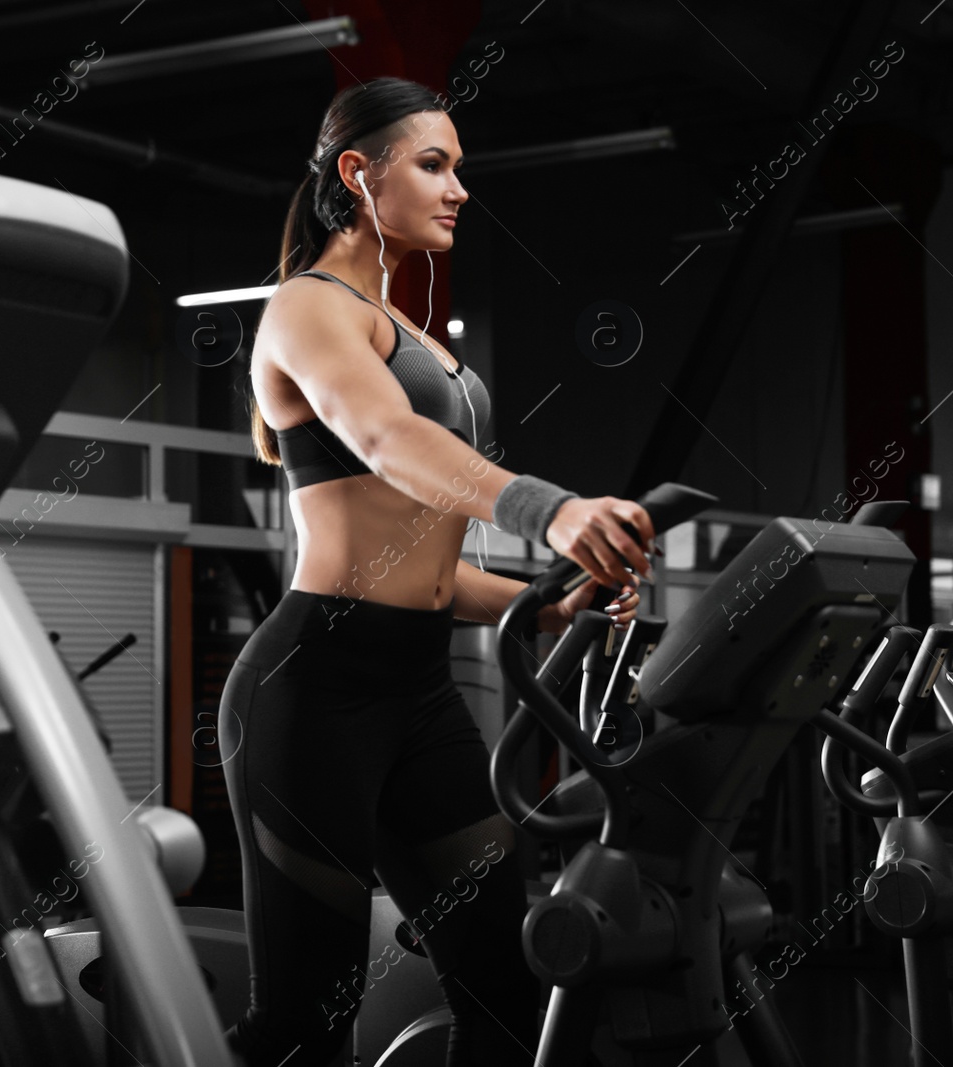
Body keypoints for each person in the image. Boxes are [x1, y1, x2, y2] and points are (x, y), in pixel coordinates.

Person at [220, 75, 658, 1067]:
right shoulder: (308, 307)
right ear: (356, 174)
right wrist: (548, 510)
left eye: (458, 166)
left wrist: (552, 606)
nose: (459, 187)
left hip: (416, 691)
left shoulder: (416, 336)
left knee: (505, 987)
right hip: (312, 689)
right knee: (304, 1022)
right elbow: (382, 437)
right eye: (433, 164)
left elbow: (427, 575)